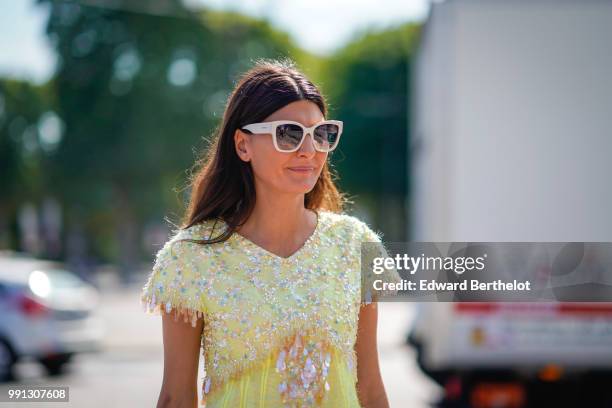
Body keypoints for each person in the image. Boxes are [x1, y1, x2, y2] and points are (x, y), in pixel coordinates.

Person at [141, 58, 399, 407]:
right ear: (243, 145)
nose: (309, 150)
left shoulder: (355, 246)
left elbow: (369, 388)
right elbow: (176, 397)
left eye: (321, 134)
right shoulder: (191, 258)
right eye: (289, 133)